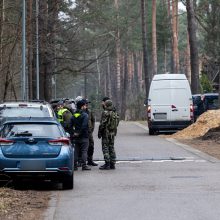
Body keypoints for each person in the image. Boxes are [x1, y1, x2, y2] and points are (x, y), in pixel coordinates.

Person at [70, 99, 91, 171]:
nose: (86, 107)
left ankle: (75, 166)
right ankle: (84, 165)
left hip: (75, 136)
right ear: (82, 107)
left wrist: (74, 133)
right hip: (84, 136)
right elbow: (84, 126)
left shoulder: (73, 115)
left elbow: (70, 126)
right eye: (85, 106)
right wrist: (80, 133)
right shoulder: (85, 115)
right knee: (84, 151)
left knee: (76, 151)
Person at [98, 99, 119, 170]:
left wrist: (99, 132)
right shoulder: (114, 112)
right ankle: (112, 164)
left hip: (106, 133)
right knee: (111, 147)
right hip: (112, 133)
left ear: (106, 105)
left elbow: (102, 124)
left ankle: (107, 164)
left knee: (105, 148)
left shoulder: (105, 113)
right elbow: (117, 123)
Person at [85, 99, 98, 166]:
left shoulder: (89, 112)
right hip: (82, 133)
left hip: (89, 132)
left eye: (88, 103)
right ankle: (81, 161)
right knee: (82, 147)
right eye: (86, 103)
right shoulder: (79, 112)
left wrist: (92, 128)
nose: (87, 105)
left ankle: (90, 160)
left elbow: (93, 120)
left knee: (91, 146)